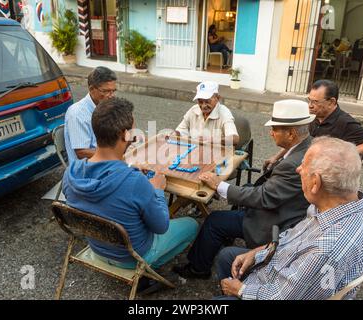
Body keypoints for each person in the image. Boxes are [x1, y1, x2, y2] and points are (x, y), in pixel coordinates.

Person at [215, 137, 363, 300]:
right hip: (282, 265)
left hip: (274, 287)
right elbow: (292, 238)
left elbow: (281, 296)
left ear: (315, 183)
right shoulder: (350, 207)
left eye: (304, 166)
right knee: (226, 256)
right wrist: (256, 253)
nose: (298, 169)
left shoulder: (324, 250)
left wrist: (240, 290)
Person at [172, 99, 312, 279]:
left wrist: (219, 185)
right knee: (244, 190)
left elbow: (263, 198)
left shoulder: (292, 164)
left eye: (275, 129)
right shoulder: (308, 145)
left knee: (214, 220)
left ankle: (198, 268)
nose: (271, 133)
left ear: (292, 134)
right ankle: (223, 239)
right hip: (287, 209)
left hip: (275, 221)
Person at [63, 97, 198, 276]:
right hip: (133, 257)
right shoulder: (135, 182)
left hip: (97, 249)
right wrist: (156, 189)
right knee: (193, 224)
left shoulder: (71, 173)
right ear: (125, 134)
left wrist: (126, 169)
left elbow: (104, 190)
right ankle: (149, 271)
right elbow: (161, 226)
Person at [264, 79, 363, 170]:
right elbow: (297, 141)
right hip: (304, 163)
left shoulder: (344, 122)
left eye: (315, 102)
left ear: (332, 102)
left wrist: (344, 152)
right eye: (309, 100)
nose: (310, 106)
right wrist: (276, 157)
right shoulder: (313, 116)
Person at [64, 66, 117, 163]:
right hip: (86, 170)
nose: (112, 96)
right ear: (92, 89)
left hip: (106, 159)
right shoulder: (77, 113)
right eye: (106, 91)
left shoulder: (105, 105)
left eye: (113, 91)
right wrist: (115, 156)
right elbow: (82, 152)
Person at [175, 81, 239, 146]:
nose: (203, 106)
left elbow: (234, 139)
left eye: (207, 101)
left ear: (217, 98)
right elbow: (181, 130)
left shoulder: (224, 113)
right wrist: (174, 133)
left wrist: (214, 140)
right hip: (194, 150)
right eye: (200, 102)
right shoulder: (193, 110)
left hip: (216, 153)